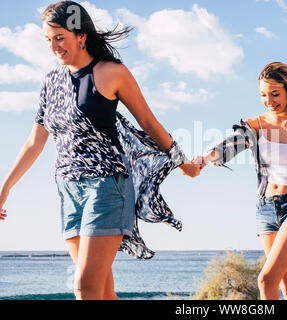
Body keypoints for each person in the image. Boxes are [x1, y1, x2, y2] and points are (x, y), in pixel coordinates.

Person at [0, 1, 200, 300]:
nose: (54, 46)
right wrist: (5, 189)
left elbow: (149, 123)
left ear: (81, 35)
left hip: (107, 187)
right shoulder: (51, 82)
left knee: (85, 288)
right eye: (48, 39)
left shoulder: (111, 72)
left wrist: (184, 164)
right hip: (67, 188)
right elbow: (35, 141)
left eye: (60, 38)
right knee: (103, 292)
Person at [194, 62, 287, 300]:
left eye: (275, 94)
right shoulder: (254, 125)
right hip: (266, 208)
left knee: (266, 279)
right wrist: (205, 158)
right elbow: (228, 147)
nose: (269, 101)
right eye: (263, 95)